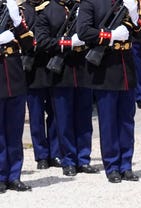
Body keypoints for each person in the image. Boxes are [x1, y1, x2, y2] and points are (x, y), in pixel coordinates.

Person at [76, 0, 141, 183]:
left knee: (127, 120)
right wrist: (111, 35)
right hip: (106, 69)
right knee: (108, 122)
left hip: (126, 69)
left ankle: (126, 165)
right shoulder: (91, 3)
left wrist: (134, 14)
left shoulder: (128, 3)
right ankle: (112, 165)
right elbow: (83, 31)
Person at [35, 0, 99, 177]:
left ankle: (83, 158)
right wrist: (67, 43)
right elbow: (42, 41)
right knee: (64, 120)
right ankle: (69, 160)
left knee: (84, 119)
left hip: (83, 71)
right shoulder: (47, 11)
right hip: (61, 73)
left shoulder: (84, 8)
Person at [0, 0, 35, 193]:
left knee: (14, 131)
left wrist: (17, 22)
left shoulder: (14, 11)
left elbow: (29, 43)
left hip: (14, 78)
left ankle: (14, 175)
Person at [23, 0, 61, 171]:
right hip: (32, 69)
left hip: (52, 66)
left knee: (54, 113)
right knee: (36, 115)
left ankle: (55, 152)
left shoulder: (55, 7)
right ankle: (41, 155)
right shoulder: (23, 9)